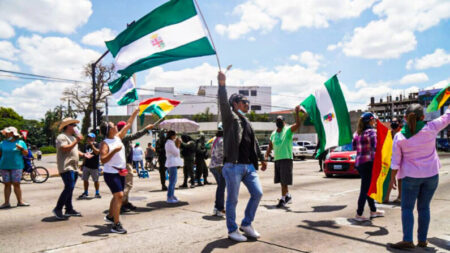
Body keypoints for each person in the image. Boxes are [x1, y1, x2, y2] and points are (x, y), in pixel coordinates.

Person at [388, 104, 449, 250]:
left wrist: (392, 179)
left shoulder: (400, 136)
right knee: (424, 208)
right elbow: (447, 117)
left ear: (404, 118)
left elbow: (395, 161)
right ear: (423, 117)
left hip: (410, 177)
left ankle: (408, 240)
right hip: (431, 175)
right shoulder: (431, 127)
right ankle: (422, 240)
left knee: (407, 208)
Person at [218, 71, 267, 242]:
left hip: (249, 166)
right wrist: (222, 85)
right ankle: (232, 230)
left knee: (258, 193)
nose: (248, 105)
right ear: (236, 104)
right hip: (233, 166)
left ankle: (246, 224)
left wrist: (261, 158)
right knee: (232, 200)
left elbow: (254, 142)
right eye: (245, 102)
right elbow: (223, 103)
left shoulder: (246, 121)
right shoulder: (230, 118)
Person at [99, 108, 139, 234]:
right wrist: (114, 151)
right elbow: (103, 160)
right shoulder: (105, 143)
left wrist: (135, 113)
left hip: (120, 172)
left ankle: (111, 216)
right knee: (120, 196)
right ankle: (116, 224)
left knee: (116, 196)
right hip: (111, 173)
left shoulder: (117, 137)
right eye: (113, 126)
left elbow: (128, 124)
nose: (116, 126)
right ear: (109, 130)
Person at [265, 108, 301, 208]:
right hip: (277, 159)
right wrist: (266, 156)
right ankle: (288, 196)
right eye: (277, 121)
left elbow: (298, 125)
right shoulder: (273, 133)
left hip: (286, 158)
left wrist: (297, 113)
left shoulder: (288, 130)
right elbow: (270, 145)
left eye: (280, 121)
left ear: (284, 122)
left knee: (284, 181)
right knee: (281, 180)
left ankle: (283, 198)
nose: (279, 122)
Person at [352, 112, 385, 222]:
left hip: (359, 163)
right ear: (370, 121)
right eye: (374, 120)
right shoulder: (371, 132)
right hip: (369, 163)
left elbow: (354, 147)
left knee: (368, 187)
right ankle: (359, 213)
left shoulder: (357, 133)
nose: (375, 122)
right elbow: (375, 147)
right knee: (365, 189)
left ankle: (373, 210)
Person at [116, 120, 154, 212]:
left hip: (126, 163)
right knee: (128, 185)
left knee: (125, 184)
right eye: (127, 127)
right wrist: (146, 129)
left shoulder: (121, 137)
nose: (128, 129)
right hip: (125, 164)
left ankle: (125, 203)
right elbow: (136, 135)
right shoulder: (122, 136)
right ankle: (120, 204)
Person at [53, 118, 85, 219]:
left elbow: (74, 149)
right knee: (69, 187)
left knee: (70, 188)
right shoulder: (61, 137)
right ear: (67, 126)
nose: (75, 127)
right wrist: (76, 140)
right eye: (73, 125)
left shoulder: (72, 137)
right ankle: (58, 208)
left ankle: (69, 209)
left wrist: (83, 154)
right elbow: (65, 148)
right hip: (66, 166)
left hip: (74, 167)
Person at [0, 127, 30, 209]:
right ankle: (6, 203)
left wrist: (21, 148)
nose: (6, 134)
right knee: (7, 184)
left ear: (13, 134)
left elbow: (26, 154)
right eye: (6, 133)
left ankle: (20, 201)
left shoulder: (21, 142)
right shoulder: (2, 143)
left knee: (16, 184)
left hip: (17, 166)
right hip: (4, 166)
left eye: (8, 133)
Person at [383, 117, 403, 203]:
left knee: (400, 179)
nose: (393, 123)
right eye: (392, 122)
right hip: (391, 159)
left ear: (400, 124)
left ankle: (400, 197)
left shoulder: (402, 133)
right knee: (390, 178)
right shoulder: (389, 133)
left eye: (395, 121)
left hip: (401, 159)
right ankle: (386, 197)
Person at [209, 124, 225, 217]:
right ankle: (220, 209)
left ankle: (216, 208)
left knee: (220, 187)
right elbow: (225, 154)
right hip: (219, 166)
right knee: (221, 188)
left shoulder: (215, 139)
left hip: (213, 165)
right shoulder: (223, 141)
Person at [78, 133, 101, 199]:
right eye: (88, 138)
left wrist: (92, 145)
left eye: (90, 138)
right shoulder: (86, 145)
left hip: (94, 166)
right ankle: (86, 192)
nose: (88, 139)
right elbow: (85, 155)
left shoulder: (97, 144)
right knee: (85, 179)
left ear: (94, 138)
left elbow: (97, 152)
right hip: (87, 165)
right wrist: (82, 164)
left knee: (96, 180)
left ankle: (97, 193)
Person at [165, 130, 183, 203]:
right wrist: (178, 145)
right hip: (172, 163)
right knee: (172, 181)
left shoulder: (170, 143)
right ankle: (169, 197)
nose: (175, 136)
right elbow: (176, 153)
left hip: (172, 163)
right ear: (172, 136)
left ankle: (172, 195)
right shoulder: (170, 143)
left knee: (173, 181)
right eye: (175, 135)